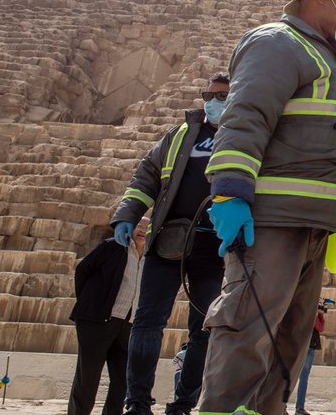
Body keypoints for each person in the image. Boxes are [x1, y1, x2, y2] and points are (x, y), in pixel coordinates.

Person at [196, 0, 336, 415]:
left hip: (314, 222)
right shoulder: (279, 44)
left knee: (289, 343)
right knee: (247, 329)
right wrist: (229, 192)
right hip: (273, 220)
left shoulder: (329, 53)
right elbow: (246, 117)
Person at [111, 74, 230, 415]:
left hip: (215, 246)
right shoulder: (179, 135)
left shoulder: (244, 134)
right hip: (168, 239)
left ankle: (183, 402)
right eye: (209, 94)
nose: (213, 100)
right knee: (147, 323)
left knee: (205, 329)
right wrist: (128, 213)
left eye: (222, 95)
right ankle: (137, 403)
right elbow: (147, 173)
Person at [67, 219, 147, 415]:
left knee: (123, 381)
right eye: (139, 226)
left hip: (127, 324)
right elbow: (83, 270)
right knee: (88, 377)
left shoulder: (150, 259)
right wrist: (90, 304)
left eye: (147, 227)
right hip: (97, 321)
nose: (142, 230)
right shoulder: (113, 246)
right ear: (130, 228)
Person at [294, 299, 332, 415]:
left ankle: (289, 407)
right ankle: (299, 408)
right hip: (307, 347)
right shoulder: (309, 313)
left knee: (298, 378)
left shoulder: (306, 310)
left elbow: (320, 327)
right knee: (302, 379)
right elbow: (320, 327)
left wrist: (319, 313)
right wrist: (318, 313)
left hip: (306, 346)